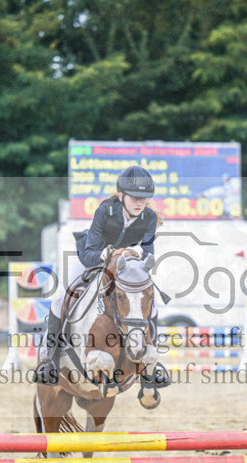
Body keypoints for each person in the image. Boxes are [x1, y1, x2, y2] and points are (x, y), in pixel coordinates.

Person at [35, 165, 171, 387]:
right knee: (60, 297)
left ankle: (151, 364)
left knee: (150, 301)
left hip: (123, 262)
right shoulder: (105, 210)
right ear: (121, 195)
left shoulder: (148, 218)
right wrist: (106, 255)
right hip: (93, 257)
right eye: (135, 198)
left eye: (144, 199)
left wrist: (143, 261)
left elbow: (149, 253)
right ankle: (48, 358)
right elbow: (89, 253)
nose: (139, 203)